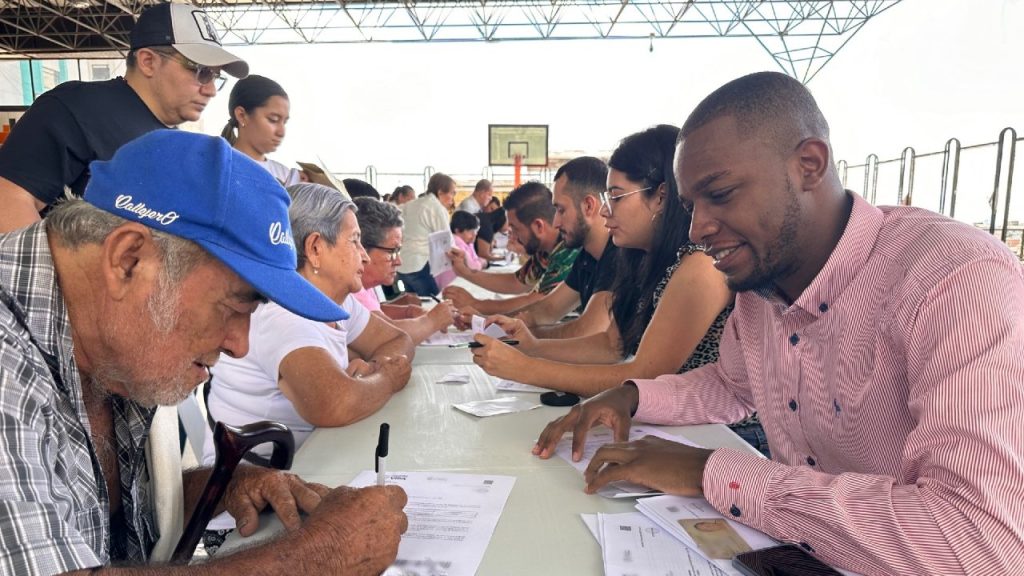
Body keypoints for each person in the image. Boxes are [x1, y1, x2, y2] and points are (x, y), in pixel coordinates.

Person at [533, 72, 1024, 575]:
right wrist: (632, 395)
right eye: (690, 206)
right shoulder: (762, 287)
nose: (699, 227)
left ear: (808, 165)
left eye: (720, 194)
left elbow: (977, 537)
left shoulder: (954, 278)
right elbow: (729, 384)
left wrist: (712, 472)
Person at [0, 130, 406, 574]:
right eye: (235, 305)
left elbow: (95, 508)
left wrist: (226, 484)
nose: (240, 345)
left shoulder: (108, 332)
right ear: (129, 260)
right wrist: (316, 557)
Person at [201, 184, 414, 546]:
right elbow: (333, 404)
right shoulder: (281, 313)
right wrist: (386, 378)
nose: (364, 256)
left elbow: (399, 341)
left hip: (304, 473)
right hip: (248, 513)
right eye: (355, 241)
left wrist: (370, 371)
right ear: (315, 248)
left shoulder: (331, 301)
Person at [471, 126, 734, 404]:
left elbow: (645, 376)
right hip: (682, 424)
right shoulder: (644, 258)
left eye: (617, 197)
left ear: (661, 196)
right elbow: (612, 345)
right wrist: (533, 347)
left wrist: (527, 368)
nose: (606, 210)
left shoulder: (701, 265)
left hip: (726, 435)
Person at [0, 2, 248, 233]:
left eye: (216, 77)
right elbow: (8, 199)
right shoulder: (76, 108)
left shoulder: (176, 142)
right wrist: (60, 280)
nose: (211, 90)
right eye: (202, 72)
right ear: (148, 61)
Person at [505, 156, 618, 340]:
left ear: (588, 206)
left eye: (561, 210)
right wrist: (503, 323)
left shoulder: (618, 254)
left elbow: (589, 332)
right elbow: (549, 309)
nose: (556, 222)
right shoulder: (587, 256)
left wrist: (526, 338)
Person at [442, 181, 580, 315]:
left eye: (515, 228)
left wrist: (476, 305)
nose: (512, 235)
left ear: (539, 226)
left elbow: (536, 304)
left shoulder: (567, 251)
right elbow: (516, 282)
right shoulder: (545, 251)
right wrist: (465, 272)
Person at [351, 197, 458, 344]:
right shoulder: (350, 290)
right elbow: (384, 335)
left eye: (398, 251)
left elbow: (372, 314)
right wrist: (432, 321)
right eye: (392, 252)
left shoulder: (363, 286)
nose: (398, 261)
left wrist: (408, 311)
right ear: (360, 249)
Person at [220, 75, 301, 186]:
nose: (281, 132)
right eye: (273, 119)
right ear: (241, 115)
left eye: (284, 122)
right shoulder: (218, 167)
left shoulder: (286, 176)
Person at [395, 172, 456, 296]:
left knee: (413, 308)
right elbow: (447, 242)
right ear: (440, 192)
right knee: (434, 306)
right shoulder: (436, 208)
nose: (453, 198)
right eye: (452, 193)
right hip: (419, 265)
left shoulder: (411, 204)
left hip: (402, 265)